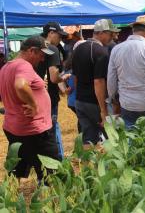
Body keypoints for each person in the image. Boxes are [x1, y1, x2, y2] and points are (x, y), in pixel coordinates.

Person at [0, 36, 60, 182]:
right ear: (32, 51)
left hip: (15, 127)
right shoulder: (23, 66)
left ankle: (11, 199)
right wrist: (33, 105)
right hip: (35, 131)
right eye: (41, 55)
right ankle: (50, 200)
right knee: (52, 173)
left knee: (18, 168)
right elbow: (21, 85)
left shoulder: (7, 66)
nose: (42, 59)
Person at [72, 19, 113, 145]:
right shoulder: (101, 52)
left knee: (88, 139)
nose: (111, 37)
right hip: (94, 103)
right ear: (102, 33)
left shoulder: (78, 48)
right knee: (112, 136)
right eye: (110, 34)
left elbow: (75, 77)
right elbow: (99, 81)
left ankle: (87, 164)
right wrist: (103, 110)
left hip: (80, 101)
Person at [36, 22, 70, 159]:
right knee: (52, 129)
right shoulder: (52, 49)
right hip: (48, 98)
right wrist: (64, 78)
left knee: (39, 131)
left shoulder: (32, 48)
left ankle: (42, 162)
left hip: (33, 97)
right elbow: (54, 78)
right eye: (59, 36)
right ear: (50, 33)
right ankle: (58, 161)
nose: (60, 39)